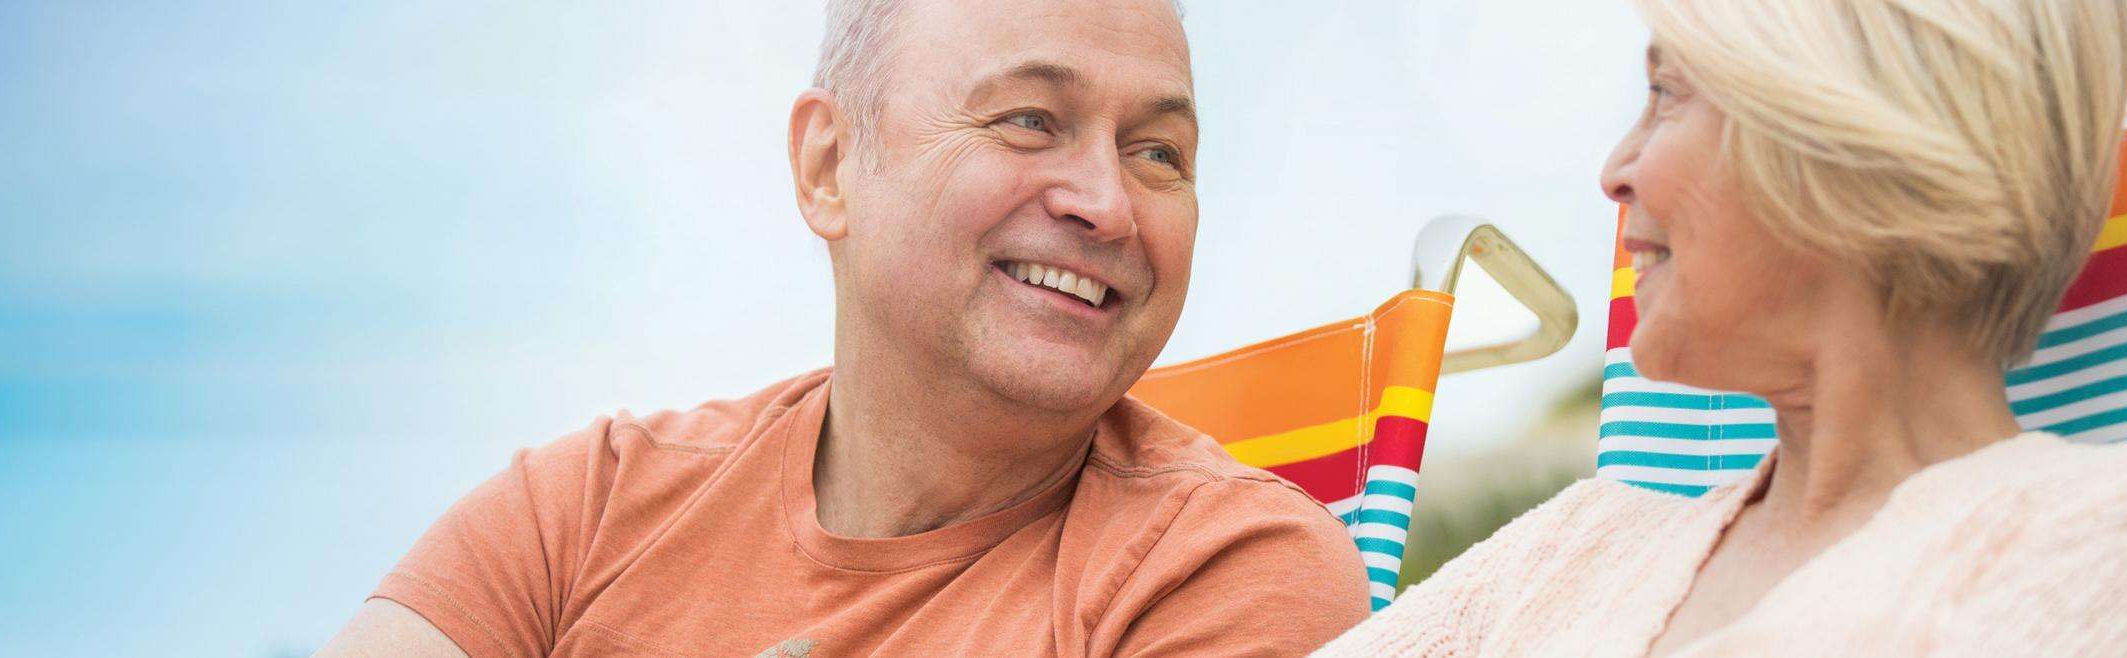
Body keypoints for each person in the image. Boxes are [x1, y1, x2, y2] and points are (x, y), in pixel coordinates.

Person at [318, 0, 1371, 655]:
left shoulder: (1232, 573)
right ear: (830, 166)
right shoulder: (583, 509)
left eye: (1158, 153)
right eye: (1029, 121)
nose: (1105, 200)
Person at [1317, 0, 2127, 655]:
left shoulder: (2115, 547)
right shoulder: (1576, 541)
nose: (1617, 169)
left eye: (1668, 92)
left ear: (1853, 136)